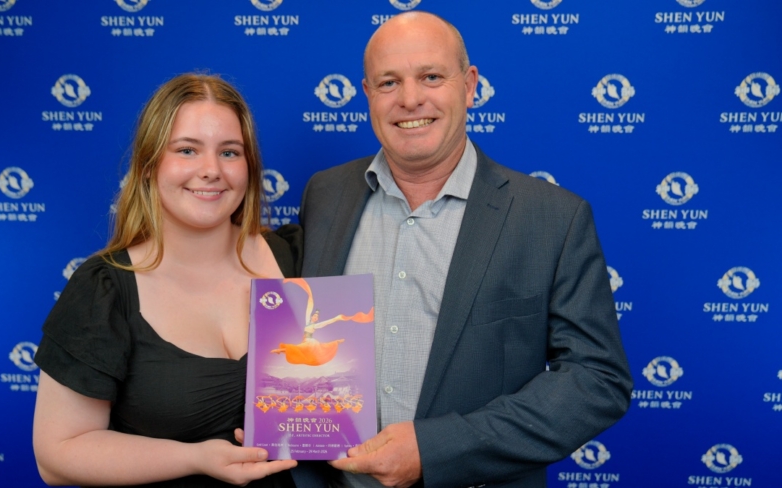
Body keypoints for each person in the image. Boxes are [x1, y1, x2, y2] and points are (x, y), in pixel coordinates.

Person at [296, 12, 632, 488]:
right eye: (389, 82)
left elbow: (597, 379)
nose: (410, 99)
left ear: (470, 86)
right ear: (367, 94)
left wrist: (436, 449)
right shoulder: (325, 194)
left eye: (431, 77)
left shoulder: (552, 218)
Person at [32, 73, 300, 487]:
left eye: (229, 152)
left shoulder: (297, 257)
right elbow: (57, 455)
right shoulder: (105, 288)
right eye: (187, 150)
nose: (211, 170)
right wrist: (195, 458)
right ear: (149, 165)